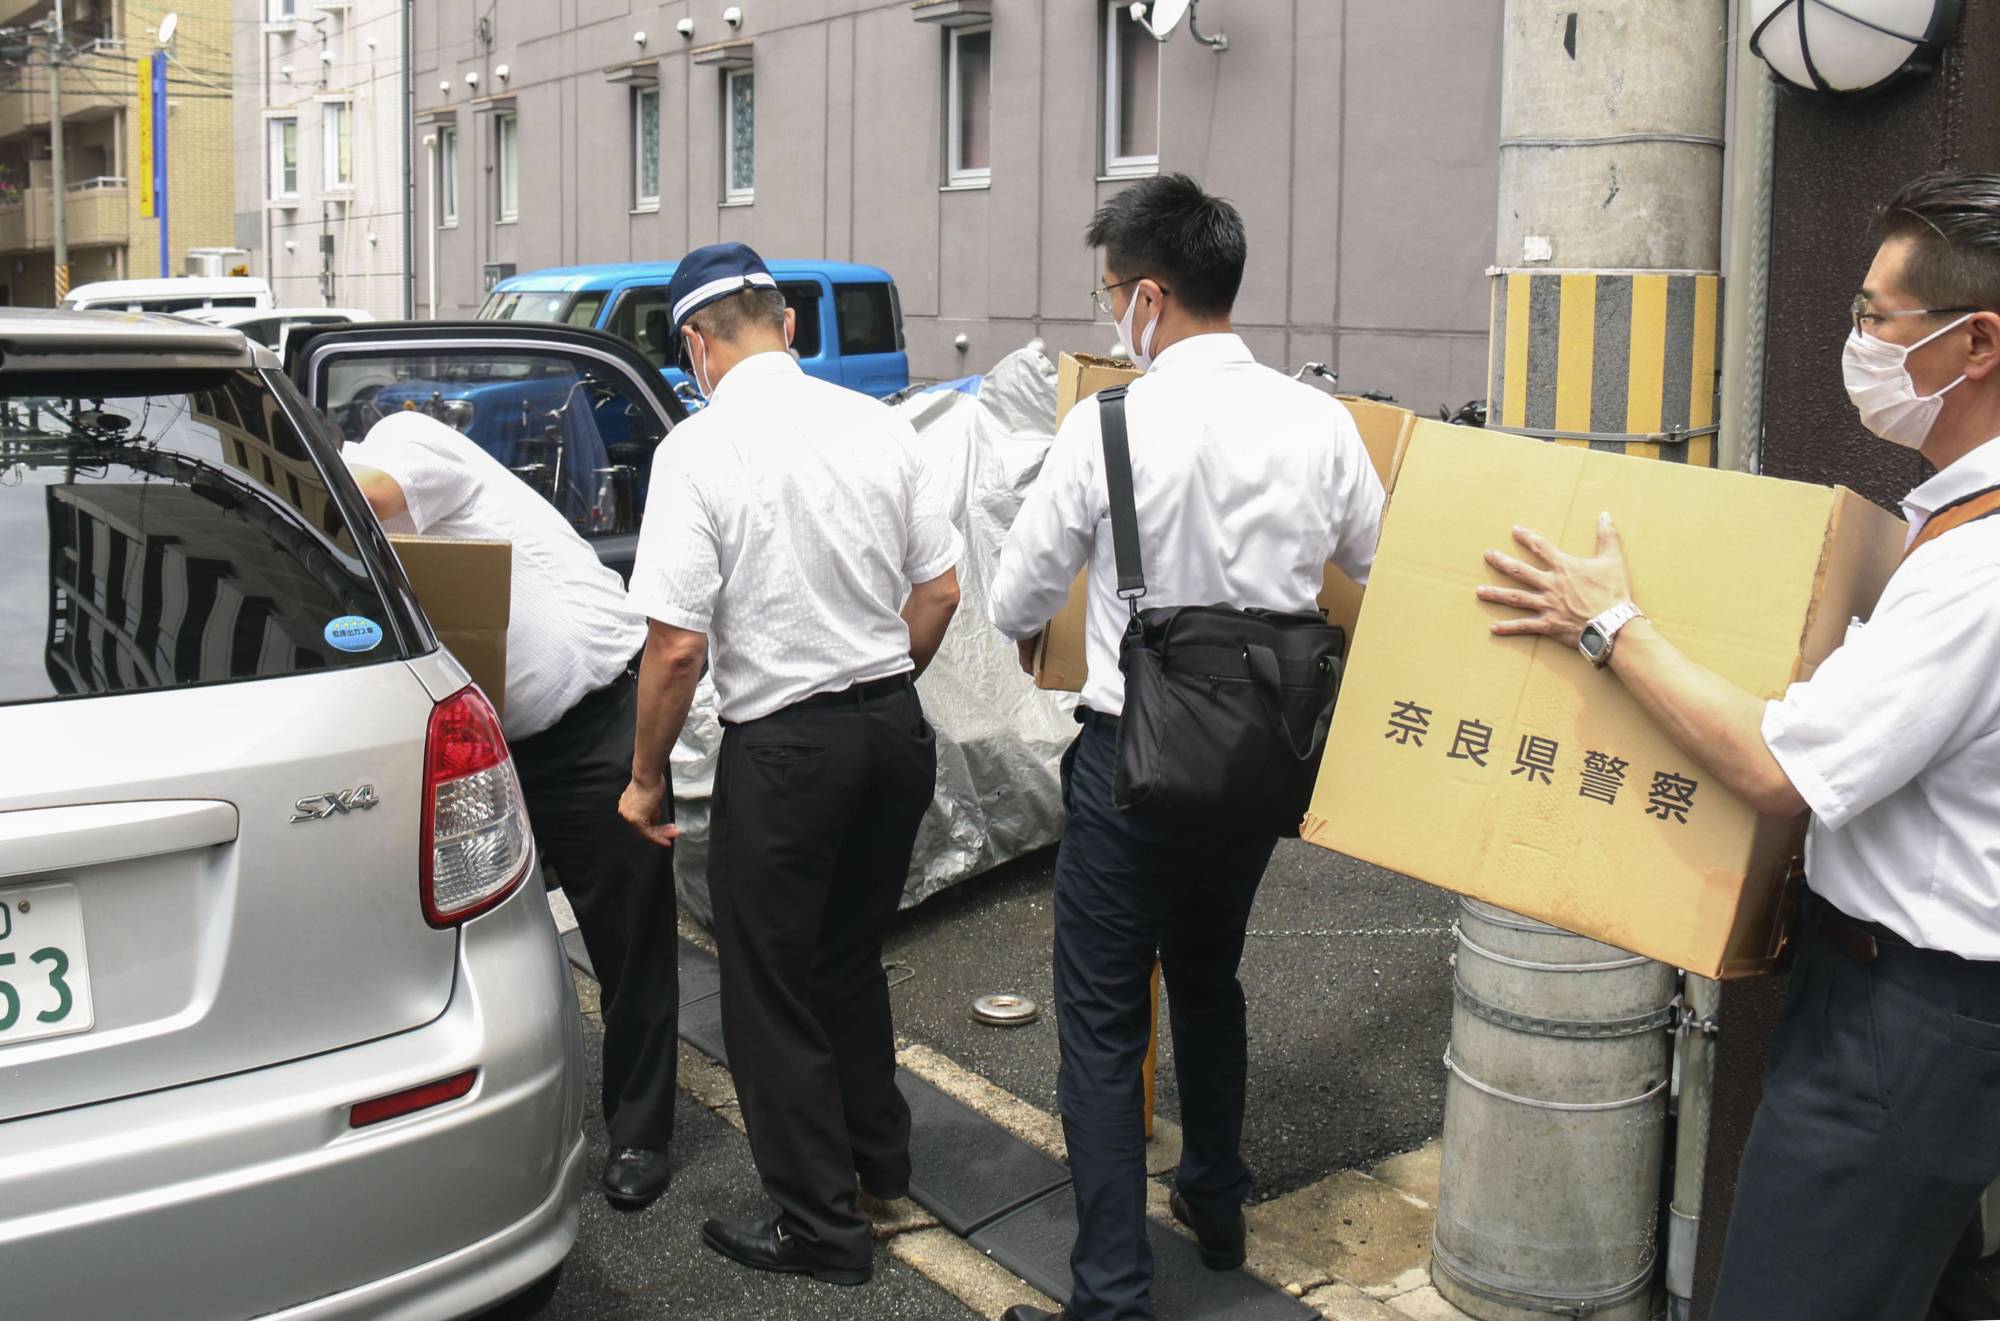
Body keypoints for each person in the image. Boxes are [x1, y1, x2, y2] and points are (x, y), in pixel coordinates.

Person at [1476, 172, 2000, 1321]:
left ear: (1974, 345)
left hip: (1904, 1022)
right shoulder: (1950, 523)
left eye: (1873, 317)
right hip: (1913, 1006)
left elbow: (1779, 769)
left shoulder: (1977, 566)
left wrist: (1603, 623)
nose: (1853, 339)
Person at [986, 174, 1387, 1321]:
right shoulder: (1320, 420)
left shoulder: (1106, 422)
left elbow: (1017, 595)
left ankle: (1109, 1295)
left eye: (1112, 292)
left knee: (1106, 1021)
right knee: (1208, 975)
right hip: (1258, 763)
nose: (1110, 313)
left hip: (1133, 762)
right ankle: (1215, 1198)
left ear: (1150, 297)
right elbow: (1377, 562)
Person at [617, 242, 963, 1286]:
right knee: (845, 958)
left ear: (695, 345)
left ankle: (820, 1229)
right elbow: (939, 591)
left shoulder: (698, 448)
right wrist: (870, 683)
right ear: (791, 327)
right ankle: (876, 1163)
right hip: (891, 733)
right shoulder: (879, 424)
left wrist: (642, 778)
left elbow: (675, 645)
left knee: (767, 989)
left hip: (787, 754)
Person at [342, 409, 682, 1212]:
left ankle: (640, 1130)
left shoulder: (401, 439)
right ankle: (472, 1119)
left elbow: (372, 494)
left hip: (591, 720)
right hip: (483, 741)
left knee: (626, 936)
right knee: (467, 938)